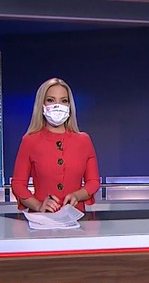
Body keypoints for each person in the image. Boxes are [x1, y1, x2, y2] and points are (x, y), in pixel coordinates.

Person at [11, 78, 100, 213]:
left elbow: (93, 181)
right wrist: (38, 206)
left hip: (76, 217)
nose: (57, 106)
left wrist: (77, 195)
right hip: (41, 220)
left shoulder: (84, 140)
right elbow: (18, 184)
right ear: (42, 105)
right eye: (51, 100)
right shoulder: (29, 141)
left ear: (69, 106)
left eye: (63, 101)